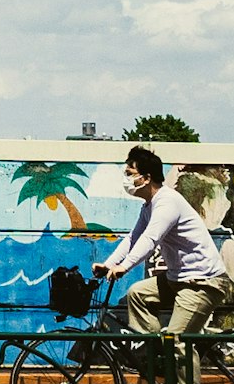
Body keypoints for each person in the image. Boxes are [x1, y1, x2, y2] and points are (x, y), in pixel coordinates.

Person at [93, 147, 221, 344]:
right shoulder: (149, 206)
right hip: (177, 279)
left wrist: (124, 267)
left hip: (201, 282)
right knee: (137, 294)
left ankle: (171, 357)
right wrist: (109, 264)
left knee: (176, 344)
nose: (126, 179)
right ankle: (154, 352)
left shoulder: (167, 202)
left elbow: (150, 239)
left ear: (146, 178)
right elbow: (133, 238)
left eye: (130, 174)